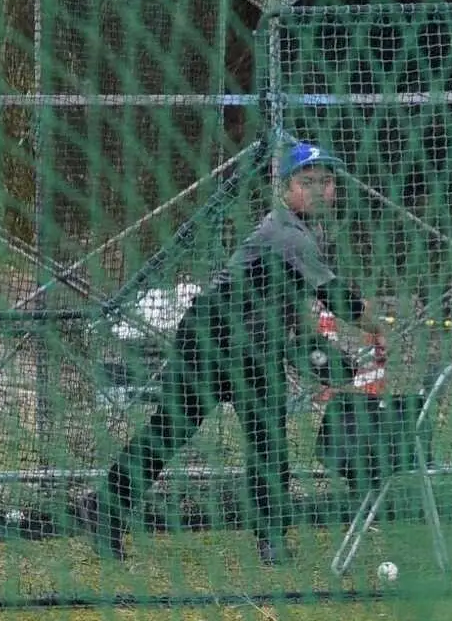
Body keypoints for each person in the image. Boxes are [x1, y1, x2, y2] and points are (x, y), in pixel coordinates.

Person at [78, 141, 384, 565]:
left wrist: (313, 346)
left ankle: (272, 538)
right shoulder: (287, 233)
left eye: (327, 181)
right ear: (285, 189)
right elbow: (341, 302)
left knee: (269, 443)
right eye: (306, 181)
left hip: (257, 350)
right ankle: (104, 508)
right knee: (170, 432)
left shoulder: (306, 233)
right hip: (211, 342)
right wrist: (378, 326)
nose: (318, 189)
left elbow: (287, 301)